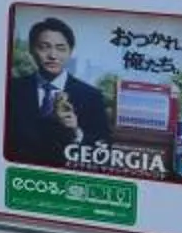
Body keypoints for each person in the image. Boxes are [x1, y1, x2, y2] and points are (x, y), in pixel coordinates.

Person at [6, 17, 111, 164]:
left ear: (70, 51)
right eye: (44, 47)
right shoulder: (12, 89)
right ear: (31, 49)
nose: (53, 55)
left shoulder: (91, 96)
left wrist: (76, 132)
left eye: (61, 48)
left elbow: (105, 148)